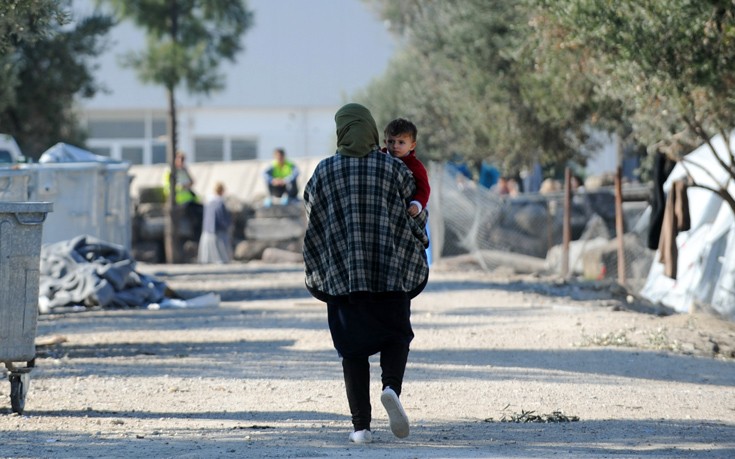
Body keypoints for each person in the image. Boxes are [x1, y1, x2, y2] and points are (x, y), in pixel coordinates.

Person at [303, 103, 429, 445]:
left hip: (344, 279)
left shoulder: (324, 171)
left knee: (352, 351)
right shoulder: (392, 168)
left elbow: (312, 215)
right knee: (397, 335)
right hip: (389, 273)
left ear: (341, 130)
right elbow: (414, 213)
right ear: (373, 131)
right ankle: (391, 387)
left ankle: (361, 427)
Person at [382, 118, 430, 217]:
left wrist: (417, 204)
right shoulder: (380, 157)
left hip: (403, 211)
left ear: (412, 146)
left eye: (401, 142)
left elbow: (424, 188)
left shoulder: (415, 166)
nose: (395, 146)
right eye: (391, 141)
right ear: (385, 142)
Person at [163, 151, 203, 239]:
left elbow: (192, 181)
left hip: (189, 200)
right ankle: (195, 236)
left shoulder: (184, 170)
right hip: (179, 201)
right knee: (194, 216)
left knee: (202, 210)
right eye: (180, 159)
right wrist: (180, 187)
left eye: (183, 159)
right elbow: (167, 188)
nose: (182, 161)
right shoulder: (170, 172)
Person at [197, 182, 233, 264]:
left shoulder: (208, 202)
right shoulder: (220, 203)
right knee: (221, 252)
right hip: (218, 231)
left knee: (207, 254)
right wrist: (228, 224)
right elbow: (222, 218)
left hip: (207, 230)